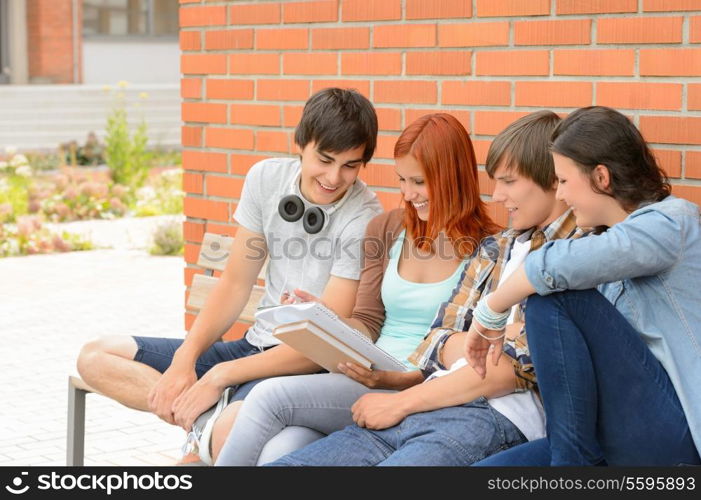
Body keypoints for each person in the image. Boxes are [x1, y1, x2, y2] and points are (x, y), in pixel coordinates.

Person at [220, 111, 580, 466]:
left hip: (426, 392)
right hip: (387, 377)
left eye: (418, 182)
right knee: (280, 452)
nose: (407, 194)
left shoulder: (506, 246)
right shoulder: (485, 247)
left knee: (270, 397)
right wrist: (324, 321)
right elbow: (438, 339)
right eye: (401, 180)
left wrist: (456, 353)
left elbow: (500, 362)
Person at [75, 88, 383, 462]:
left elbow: (322, 345)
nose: (335, 177)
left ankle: (206, 426)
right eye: (325, 160)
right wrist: (185, 361)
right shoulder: (266, 179)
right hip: (252, 346)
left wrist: (218, 376)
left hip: (298, 370)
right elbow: (236, 284)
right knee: (96, 357)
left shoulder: (363, 215)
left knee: (223, 440)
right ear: (300, 143)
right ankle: (202, 418)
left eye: (350, 165)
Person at [467, 106, 701, 466]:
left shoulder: (672, 224)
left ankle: (570, 466)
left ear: (601, 177)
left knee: (553, 297)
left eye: (562, 180)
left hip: (676, 436)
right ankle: (572, 458)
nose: (559, 195)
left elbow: (552, 265)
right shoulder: (605, 245)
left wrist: (491, 309)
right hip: (614, 433)